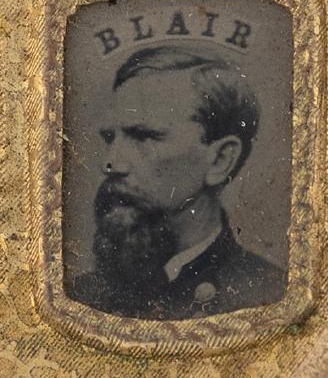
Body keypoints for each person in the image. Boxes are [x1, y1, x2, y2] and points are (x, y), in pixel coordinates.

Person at [67, 42, 286, 320]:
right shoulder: (81, 298)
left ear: (220, 160)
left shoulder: (268, 295)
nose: (110, 163)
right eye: (111, 138)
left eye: (144, 137)